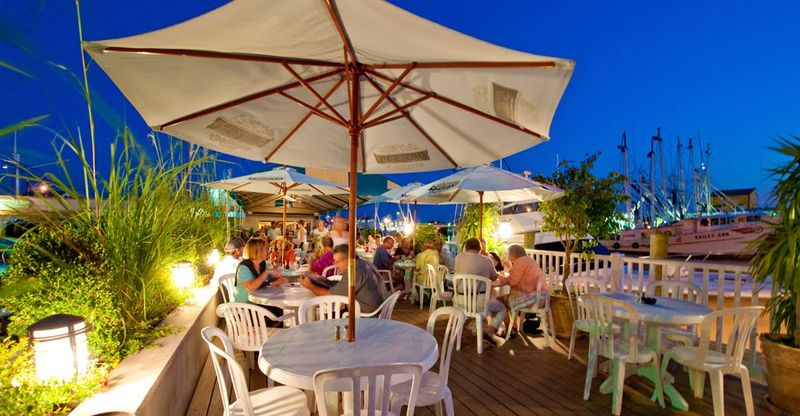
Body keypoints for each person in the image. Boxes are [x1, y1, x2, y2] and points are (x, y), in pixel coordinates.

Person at [300, 244, 387, 314]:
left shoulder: (354, 270)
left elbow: (331, 296)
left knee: (328, 311)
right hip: (378, 310)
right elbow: (343, 285)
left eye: (337, 262)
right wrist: (323, 280)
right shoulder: (363, 263)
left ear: (347, 258)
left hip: (367, 317)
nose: (336, 266)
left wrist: (310, 286)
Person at [488, 244, 545, 338]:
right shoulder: (528, 260)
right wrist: (509, 268)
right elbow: (519, 275)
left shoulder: (521, 262)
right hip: (541, 298)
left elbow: (512, 281)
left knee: (500, 301)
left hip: (531, 299)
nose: (509, 257)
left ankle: (506, 330)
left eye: (509, 254)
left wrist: (499, 276)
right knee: (508, 298)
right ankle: (513, 327)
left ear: (514, 254)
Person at [233, 238, 287, 304]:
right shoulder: (244, 267)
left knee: (280, 306)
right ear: (257, 251)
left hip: (260, 302)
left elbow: (279, 280)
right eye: (265, 249)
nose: (267, 251)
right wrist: (266, 273)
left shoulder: (263, 264)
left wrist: (274, 281)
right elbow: (251, 287)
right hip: (245, 306)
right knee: (278, 309)